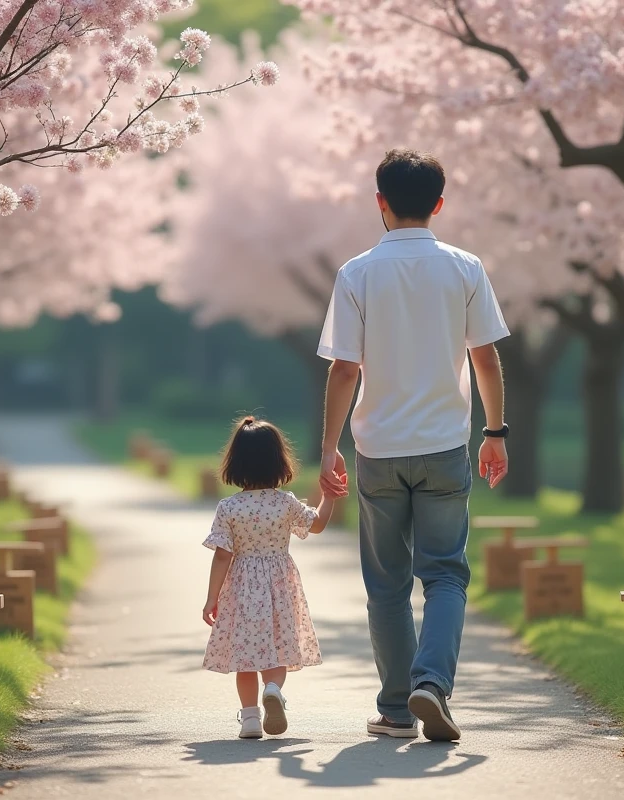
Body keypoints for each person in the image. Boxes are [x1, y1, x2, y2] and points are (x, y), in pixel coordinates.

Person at [316, 148, 510, 742]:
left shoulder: (357, 273)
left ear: (380, 202)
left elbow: (345, 368)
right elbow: (486, 358)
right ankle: (433, 684)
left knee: (387, 584)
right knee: (446, 575)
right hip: (446, 442)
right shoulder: (464, 268)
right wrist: (496, 432)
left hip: (377, 446)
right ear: (439, 203)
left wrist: (329, 446)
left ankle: (398, 708)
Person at [202, 416, 335, 739]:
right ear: (280, 461)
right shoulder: (285, 503)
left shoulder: (229, 508)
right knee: (277, 647)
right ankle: (273, 688)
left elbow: (222, 554)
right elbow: (315, 525)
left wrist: (212, 598)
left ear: (235, 462)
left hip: (243, 588)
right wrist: (329, 496)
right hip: (280, 585)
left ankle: (250, 718)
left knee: (244, 655)